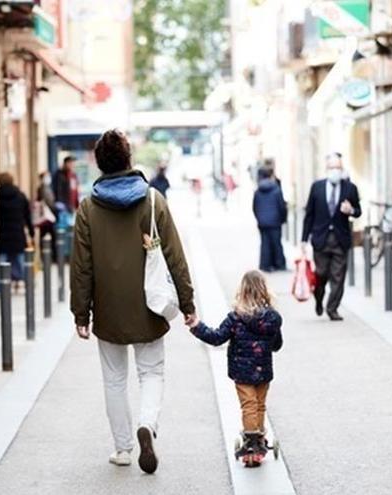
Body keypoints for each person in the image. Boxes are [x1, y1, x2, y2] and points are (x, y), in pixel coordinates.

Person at [70, 129, 196, 474]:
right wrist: (187, 304)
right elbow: (175, 255)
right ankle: (147, 424)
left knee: (114, 380)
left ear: (99, 163)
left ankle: (123, 448)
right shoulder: (153, 200)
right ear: (128, 159)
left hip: (108, 309)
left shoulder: (87, 209)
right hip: (149, 305)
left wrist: (81, 312)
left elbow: (81, 267)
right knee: (151, 372)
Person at [187, 270, 283, 468]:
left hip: (242, 372)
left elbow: (216, 337)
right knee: (259, 405)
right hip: (263, 371)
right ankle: (260, 437)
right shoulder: (272, 319)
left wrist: (197, 326)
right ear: (265, 291)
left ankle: (251, 443)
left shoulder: (236, 318)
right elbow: (276, 345)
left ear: (242, 291)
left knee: (248, 405)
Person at [301, 153, 361, 321]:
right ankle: (319, 298)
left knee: (338, 276)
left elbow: (358, 211)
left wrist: (351, 211)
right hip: (320, 239)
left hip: (340, 240)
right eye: (332, 167)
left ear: (342, 169)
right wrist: (304, 240)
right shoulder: (317, 187)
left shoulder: (350, 188)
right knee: (321, 274)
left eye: (338, 168)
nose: (335, 171)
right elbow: (309, 214)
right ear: (326, 169)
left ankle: (332, 308)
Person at [0, 172, 33, 293]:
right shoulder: (20, 195)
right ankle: (29, 284)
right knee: (21, 261)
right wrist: (31, 231)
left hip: (4, 232)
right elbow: (27, 215)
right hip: (17, 232)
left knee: (2, 261)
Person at [252, 167, 288, 272]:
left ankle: (265, 264)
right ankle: (279, 264)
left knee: (265, 243)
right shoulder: (276, 189)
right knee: (276, 243)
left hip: (262, 222)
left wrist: (259, 218)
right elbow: (281, 206)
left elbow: (254, 207)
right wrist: (282, 218)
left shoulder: (258, 191)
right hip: (275, 221)